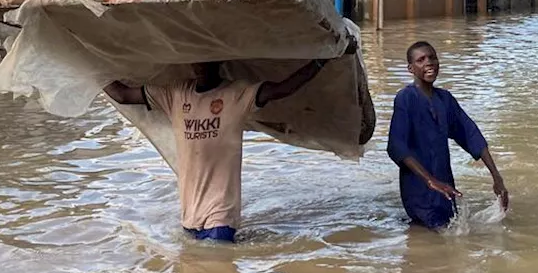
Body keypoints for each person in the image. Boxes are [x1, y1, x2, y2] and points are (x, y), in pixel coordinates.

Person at [103, 43, 357, 243]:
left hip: (220, 216)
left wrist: (322, 61)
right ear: (189, 64)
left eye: (207, 60)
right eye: (197, 61)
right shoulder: (175, 95)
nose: (201, 66)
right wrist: (85, 61)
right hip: (189, 215)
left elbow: (282, 89)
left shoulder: (236, 94)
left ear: (220, 61)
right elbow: (123, 94)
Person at [387, 41, 508, 229]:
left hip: (445, 186)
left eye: (432, 57)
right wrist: (429, 180)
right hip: (419, 189)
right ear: (411, 68)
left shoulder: (445, 99)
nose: (429, 63)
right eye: (421, 60)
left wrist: (496, 177)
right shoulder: (406, 98)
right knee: (431, 234)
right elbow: (396, 146)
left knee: (450, 234)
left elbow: (470, 133)